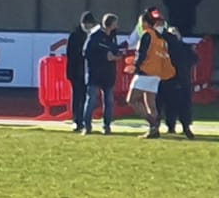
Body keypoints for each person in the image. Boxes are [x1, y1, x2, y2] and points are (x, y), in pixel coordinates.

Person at [130, 7, 176, 139]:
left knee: (132, 100)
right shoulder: (160, 38)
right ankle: (154, 131)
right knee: (150, 103)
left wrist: (135, 66)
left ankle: (153, 123)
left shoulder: (147, 35)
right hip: (156, 74)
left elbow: (142, 54)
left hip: (145, 72)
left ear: (144, 22)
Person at [82, 13, 122, 134]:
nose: (117, 26)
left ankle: (107, 126)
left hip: (108, 74)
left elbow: (116, 51)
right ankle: (87, 126)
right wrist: (104, 56)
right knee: (91, 100)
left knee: (109, 101)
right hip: (95, 73)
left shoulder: (113, 37)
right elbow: (86, 53)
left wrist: (117, 55)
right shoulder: (95, 36)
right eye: (115, 23)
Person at [160, 26, 198, 139]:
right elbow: (194, 59)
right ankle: (183, 126)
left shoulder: (166, 48)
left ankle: (177, 126)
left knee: (171, 104)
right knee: (182, 105)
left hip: (172, 79)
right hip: (181, 79)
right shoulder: (185, 48)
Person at [64, 12, 97, 133]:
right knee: (77, 96)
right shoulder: (75, 36)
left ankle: (83, 119)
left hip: (87, 71)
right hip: (76, 71)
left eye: (90, 25)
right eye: (87, 24)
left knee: (84, 96)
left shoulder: (92, 36)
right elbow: (72, 55)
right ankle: (77, 120)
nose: (88, 27)